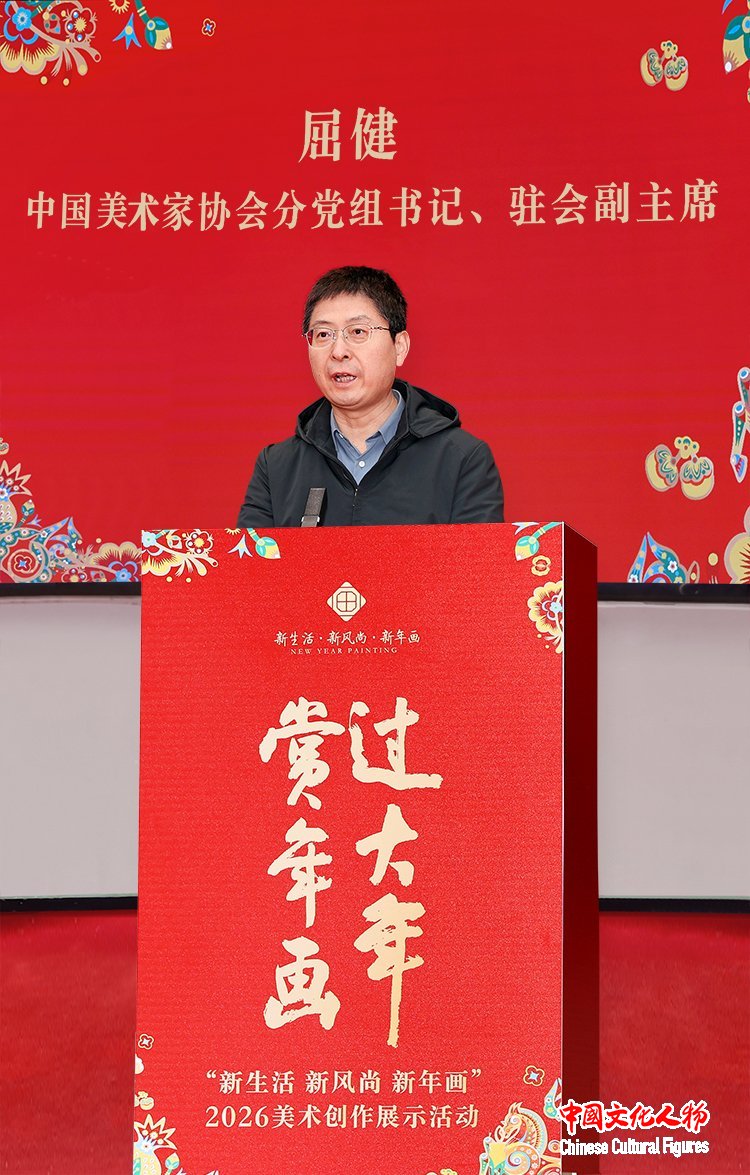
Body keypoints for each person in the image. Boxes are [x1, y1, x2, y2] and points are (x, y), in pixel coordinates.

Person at [237, 266, 503, 527]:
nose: (338, 351)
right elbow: (251, 557)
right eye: (323, 334)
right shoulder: (276, 468)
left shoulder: (462, 460)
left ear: (400, 347)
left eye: (357, 332)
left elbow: (476, 558)